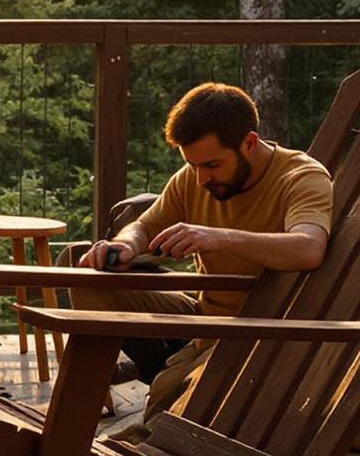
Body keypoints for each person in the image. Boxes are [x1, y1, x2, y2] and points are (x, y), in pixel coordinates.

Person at [76, 82, 334, 418]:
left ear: (250, 143)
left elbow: (309, 248)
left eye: (210, 166)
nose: (200, 179)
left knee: (165, 407)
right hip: (203, 318)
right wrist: (125, 245)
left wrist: (220, 237)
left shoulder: (301, 177)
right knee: (85, 275)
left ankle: (171, 387)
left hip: (262, 335)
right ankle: (85, 406)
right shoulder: (192, 178)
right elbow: (144, 226)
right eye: (192, 165)